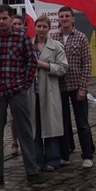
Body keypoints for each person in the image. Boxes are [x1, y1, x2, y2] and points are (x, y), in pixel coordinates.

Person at [0, 4, 44, 185]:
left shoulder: (22, 38)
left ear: (12, 18)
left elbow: (31, 63)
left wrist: (25, 84)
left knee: (25, 132)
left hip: (16, 91)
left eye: (4, 18)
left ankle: (31, 171)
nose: (1, 22)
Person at [52, 6, 95, 169]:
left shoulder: (81, 37)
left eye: (67, 16)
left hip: (77, 86)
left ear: (72, 19)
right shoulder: (53, 38)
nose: (64, 19)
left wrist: (83, 88)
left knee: (82, 123)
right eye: (61, 16)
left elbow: (87, 63)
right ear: (58, 19)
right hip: (59, 86)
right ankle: (64, 154)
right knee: (62, 122)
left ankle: (87, 155)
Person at [30, 15, 68, 170]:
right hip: (32, 91)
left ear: (49, 28)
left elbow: (63, 68)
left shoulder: (56, 46)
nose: (41, 29)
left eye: (44, 27)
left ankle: (53, 159)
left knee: (50, 125)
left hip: (49, 90)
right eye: (38, 26)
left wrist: (43, 65)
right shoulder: (28, 45)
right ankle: (37, 159)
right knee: (35, 127)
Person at [9, 14, 25, 156]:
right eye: (15, 24)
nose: (17, 26)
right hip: (11, 86)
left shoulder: (27, 40)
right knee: (13, 118)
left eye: (20, 24)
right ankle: (15, 142)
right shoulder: (8, 41)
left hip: (24, 85)